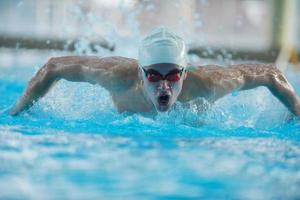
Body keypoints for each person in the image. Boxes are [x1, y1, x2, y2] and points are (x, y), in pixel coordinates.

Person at [10, 27, 300, 117]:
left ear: (186, 73)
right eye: (153, 75)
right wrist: (15, 113)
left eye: (173, 74)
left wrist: (297, 114)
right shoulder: (116, 77)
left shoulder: (209, 84)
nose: (164, 85)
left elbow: (270, 74)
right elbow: (53, 67)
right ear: (139, 74)